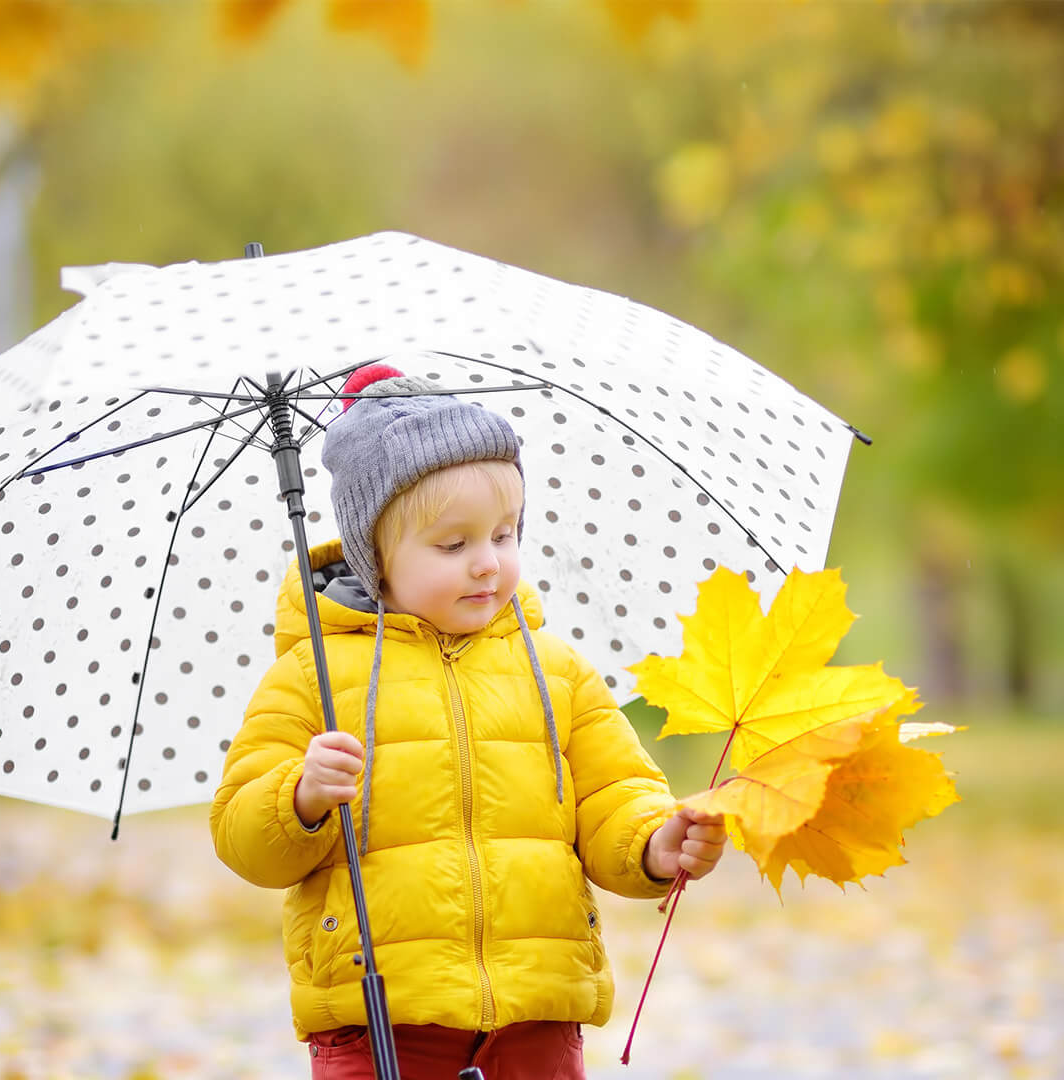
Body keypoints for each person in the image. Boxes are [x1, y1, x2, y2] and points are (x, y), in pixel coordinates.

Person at [210, 362, 726, 1079]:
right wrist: (299, 798)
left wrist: (653, 843)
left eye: (505, 535)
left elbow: (612, 795)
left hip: (536, 1015)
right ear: (376, 556)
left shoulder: (555, 670)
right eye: (453, 546)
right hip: (384, 1018)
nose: (487, 564)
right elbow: (243, 836)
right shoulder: (314, 677)